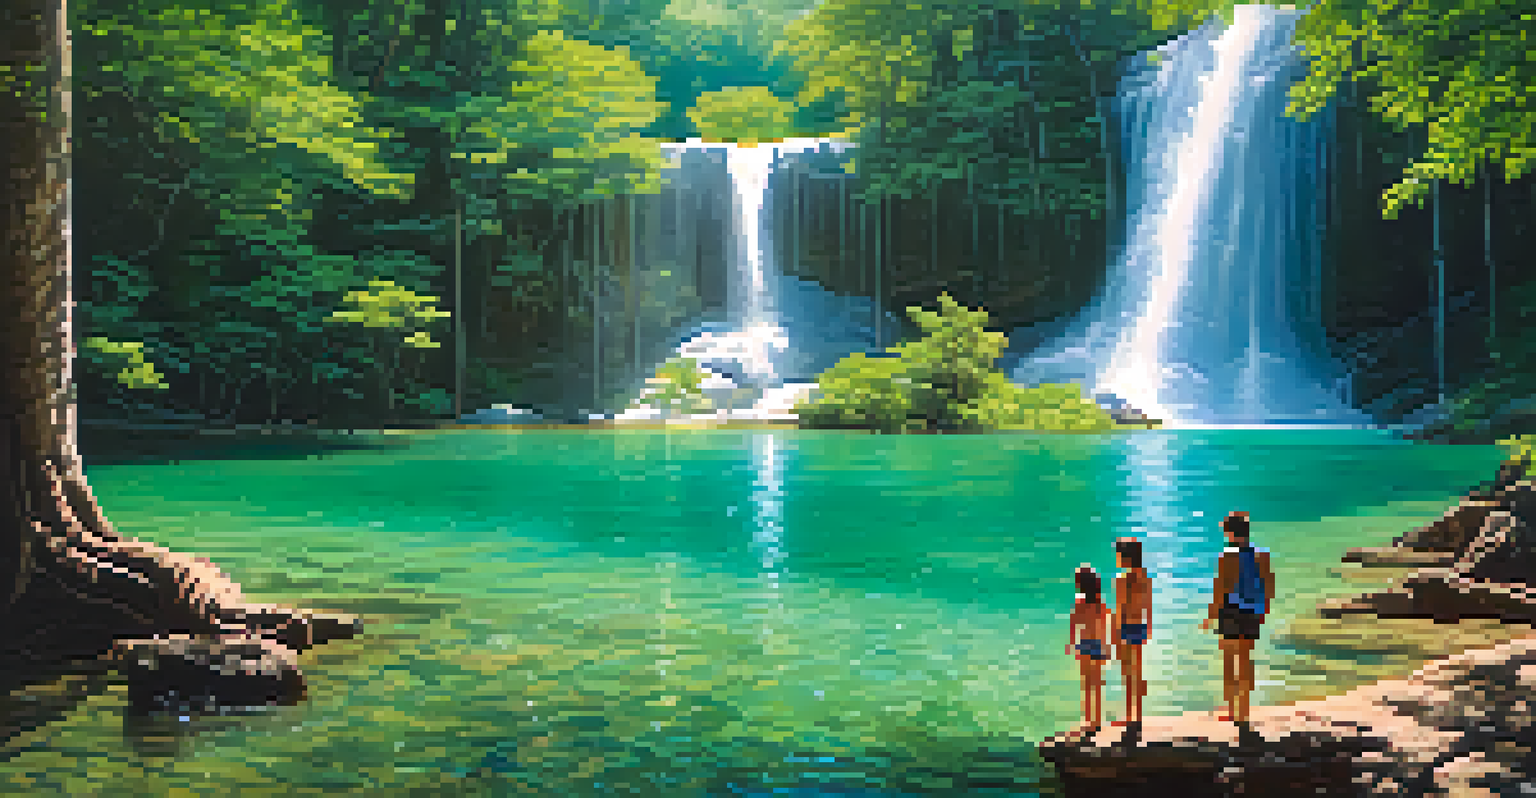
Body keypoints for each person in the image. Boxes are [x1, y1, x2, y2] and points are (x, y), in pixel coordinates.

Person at [1199, 511, 1274, 724]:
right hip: (1253, 611)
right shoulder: (1263, 555)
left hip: (1231, 610)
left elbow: (1221, 589)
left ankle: (1232, 710)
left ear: (1230, 532)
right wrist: (1262, 612)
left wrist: (1211, 616)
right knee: (1246, 660)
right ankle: (1244, 711)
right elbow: (1269, 586)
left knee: (1229, 660)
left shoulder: (1228, 555)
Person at [1065, 564, 1112, 730]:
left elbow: (1074, 625)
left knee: (1086, 685)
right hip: (1098, 644)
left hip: (1084, 645)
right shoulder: (1101, 602)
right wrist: (1107, 646)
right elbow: (1104, 626)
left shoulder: (1079, 601)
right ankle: (1097, 720)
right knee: (1097, 684)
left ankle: (1087, 720)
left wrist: (1071, 645)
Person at [1111, 537, 1152, 725]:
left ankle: (1129, 718)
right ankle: (1139, 715)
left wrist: (1115, 635)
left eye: (1118, 554)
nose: (1117, 558)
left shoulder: (1122, 579)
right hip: (1140, 626)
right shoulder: (1145, 578)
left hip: (1126, 628)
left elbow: (1120, 609)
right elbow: (1148, 606)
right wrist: (1148, 627)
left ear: (1125, 557)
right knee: (1138, 673)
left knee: (1127, 675)